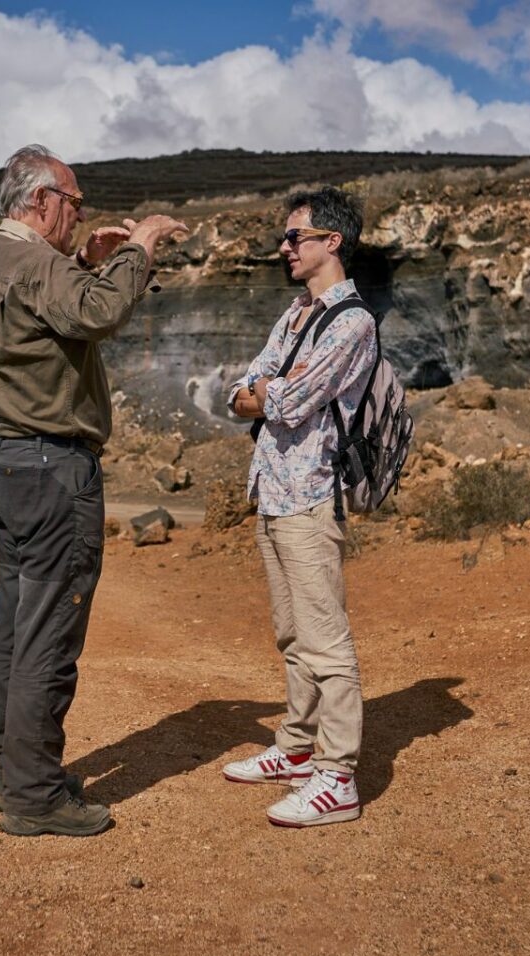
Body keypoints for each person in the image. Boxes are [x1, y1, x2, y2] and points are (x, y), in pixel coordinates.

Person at [0, 143, 186, 837]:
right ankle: (33, 794)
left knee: (15, 624)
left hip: (9, 462)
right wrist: (140, 248)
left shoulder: (0, 260)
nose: (80, 213)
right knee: (48, 629)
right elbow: (96, 315)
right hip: (51, 467)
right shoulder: (32, 262)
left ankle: (17, 769)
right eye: (74, 202)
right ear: (39, 202)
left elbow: (60, 309)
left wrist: (88, 260)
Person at [222, 186, 377, 828]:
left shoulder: (352, 322)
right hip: (272, 492)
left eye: (295, 237)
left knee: (325, 641)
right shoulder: (291, 318)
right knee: (291, 634)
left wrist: (267, 391)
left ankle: (337, 776)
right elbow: (239, 393)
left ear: (330, 242)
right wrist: (262, 391)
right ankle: (295, 748)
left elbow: (289, 400)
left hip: (312, 495)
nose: (284, 247)